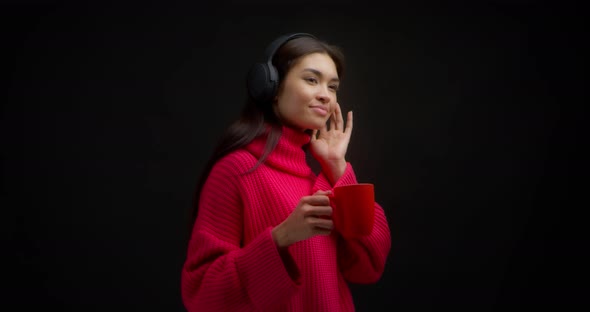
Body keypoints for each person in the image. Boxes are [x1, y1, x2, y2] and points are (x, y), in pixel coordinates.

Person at [180, 32, 391, 311]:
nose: (325, 95)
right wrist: (282, 237)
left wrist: (337, 167)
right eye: (312, 79)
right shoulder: (236, 170)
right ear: (272, 87)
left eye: (333, 86)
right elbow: (203, 293)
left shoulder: (318, 177)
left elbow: (370, 266)